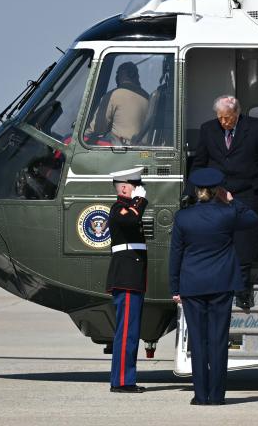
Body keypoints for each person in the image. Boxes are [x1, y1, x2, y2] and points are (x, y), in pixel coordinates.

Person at [170, 168, 258, 405]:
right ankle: (218, 396)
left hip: (192, 285)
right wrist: (232, 201)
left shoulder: (183, 217)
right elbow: (252, 219)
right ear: (217, 191)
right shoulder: (227, 214)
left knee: (198, 341)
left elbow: (175, 255)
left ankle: (201, 395)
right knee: (219, 340)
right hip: (221, 283)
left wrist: (175, 287)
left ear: (198, 191)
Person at [184, 95, 258, 310]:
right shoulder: (208, 129)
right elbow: (199, 163)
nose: (224, 122)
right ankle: (218, 285)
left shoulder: (256, 127)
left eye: (228, 118)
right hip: (218, 192)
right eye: (220, 118)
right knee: (217, 238)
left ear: (237, 113)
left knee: (244, 242)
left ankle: (242, 288)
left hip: (247, 190)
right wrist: (190, 191)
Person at [106, 167, 149, 393]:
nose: (139, 189)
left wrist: (139, 200)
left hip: (132, 277)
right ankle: (123, 381)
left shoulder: (128, 208)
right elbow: (132, 221)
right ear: (124, 187)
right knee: (126, 332)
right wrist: (139, 200)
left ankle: (122, 379)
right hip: (127, 278)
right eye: (135, 185)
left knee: (130, 330)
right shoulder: (119, 209)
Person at [85, 61, 149, 146]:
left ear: (121, 75)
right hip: (141, 151)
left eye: (117, 73)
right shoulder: (148, 98)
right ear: (136, 77)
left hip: (119, 150)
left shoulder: (114, 94)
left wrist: (83, 134)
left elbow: (97, 128)